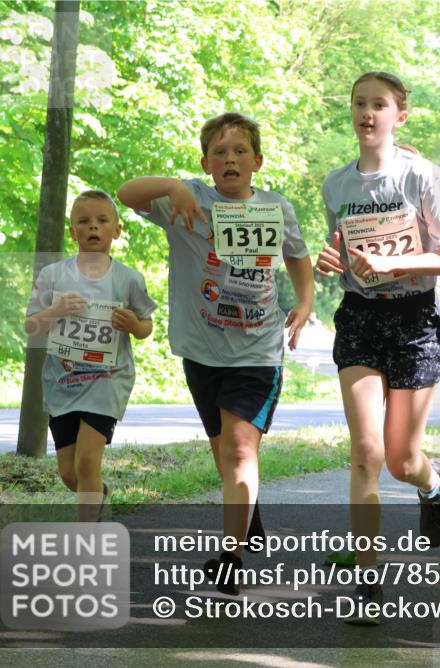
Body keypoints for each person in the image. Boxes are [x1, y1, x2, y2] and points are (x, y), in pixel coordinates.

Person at [117, 113, 315, 594]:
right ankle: (247, 519)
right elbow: (125, 193)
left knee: (239, 448)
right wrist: (173, 186)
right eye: (220, 152)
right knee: (225, 456)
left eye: (240, 151)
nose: (230, 159)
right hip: (202, 350)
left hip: (258, 350)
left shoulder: (276, 207)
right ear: (206, 163)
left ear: (257, 161)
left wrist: (305, 301)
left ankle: (231, 558)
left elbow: (296, 254)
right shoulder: (188, 200)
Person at [314, 71, 440, 624]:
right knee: (367, 453)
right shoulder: (336, 185)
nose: (367, 113)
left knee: (402, 459)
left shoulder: (422, 177)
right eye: (359, 103)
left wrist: (396, 262)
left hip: (413, 319)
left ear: (398, 115)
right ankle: (368, 581)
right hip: (360, 318)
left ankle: (432, 485)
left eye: (378, 104)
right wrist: (327, 262)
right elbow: (342, 252)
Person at [24, 190, 156, 521]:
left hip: (107, 380)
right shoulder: (53, 276)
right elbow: (31, 326)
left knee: (87, 462)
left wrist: (133, 324)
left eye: (102, 220)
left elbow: (146, 327)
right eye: (84, 221)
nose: (93, 227)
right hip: (63, 382)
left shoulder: (128, 279)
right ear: (73, 232)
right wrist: (55, 310)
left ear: (117, 229)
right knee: (70, 475)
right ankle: (100, 497)